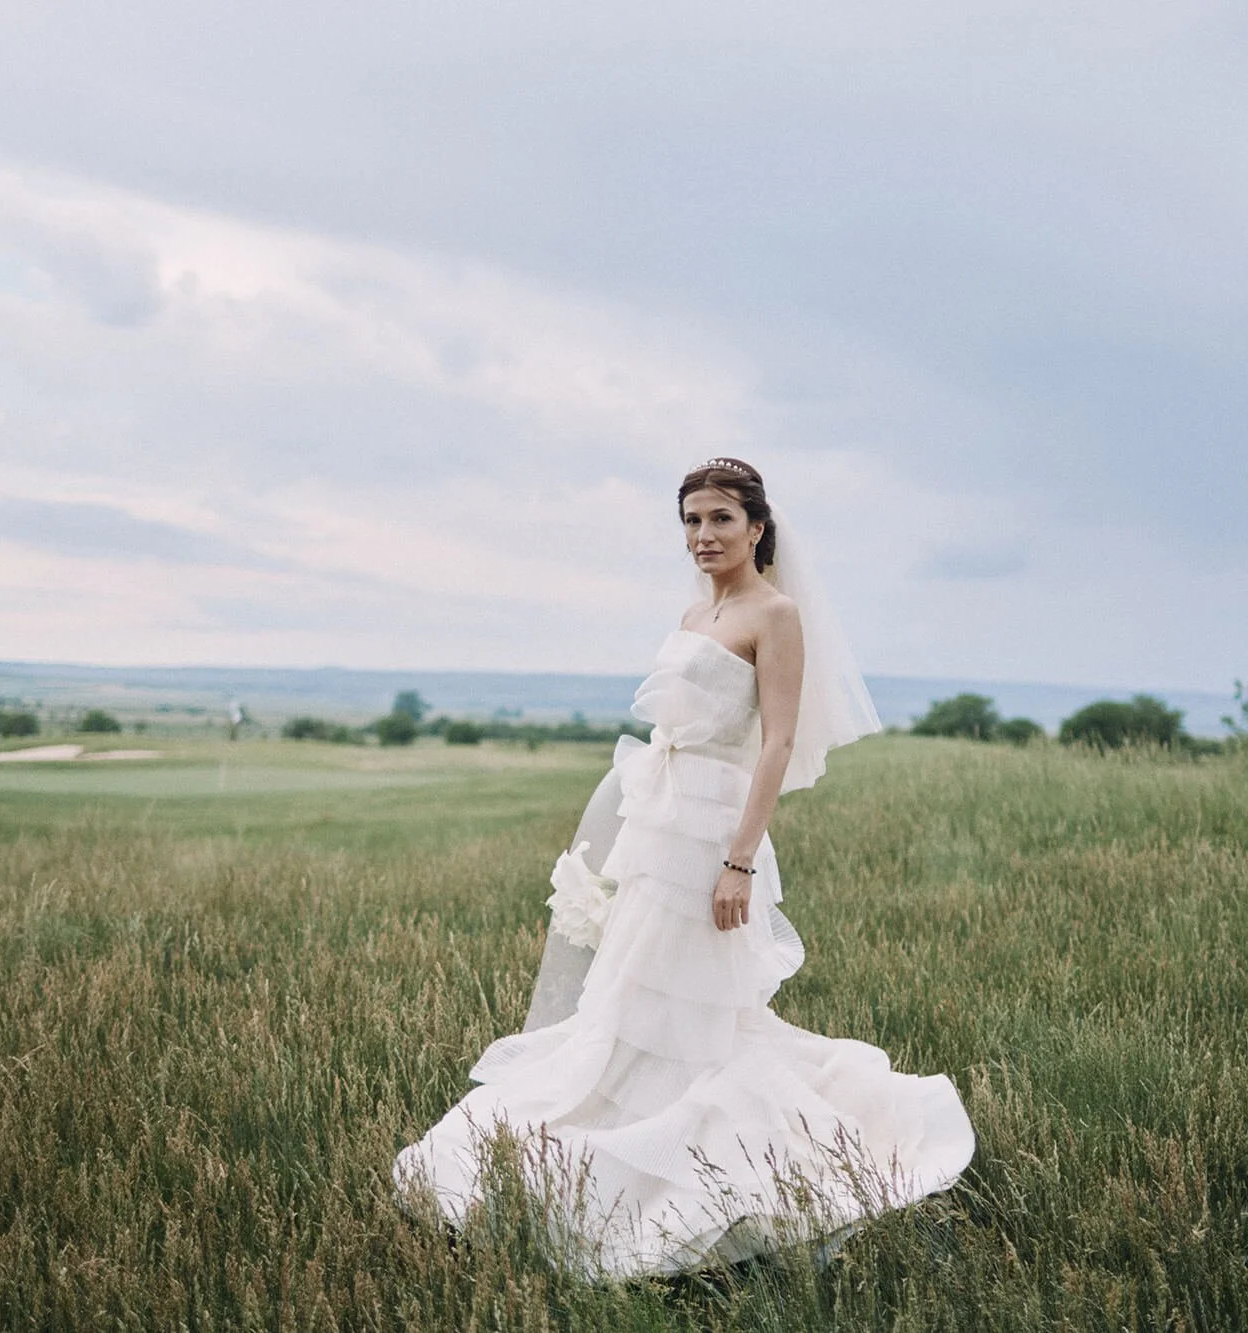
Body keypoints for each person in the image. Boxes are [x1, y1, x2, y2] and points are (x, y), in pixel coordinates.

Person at [394, 458, 975, 1277]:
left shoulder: (775, 615)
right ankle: (611, 1138)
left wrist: (739, 860)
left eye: (721, 520)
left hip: (715, 829)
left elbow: (774, 740)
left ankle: (709, 1173)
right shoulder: (695, 610)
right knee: (633, 998)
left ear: (758, 527)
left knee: (696, 1013)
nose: (704, 536)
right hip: (661, 821)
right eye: (692, 522)